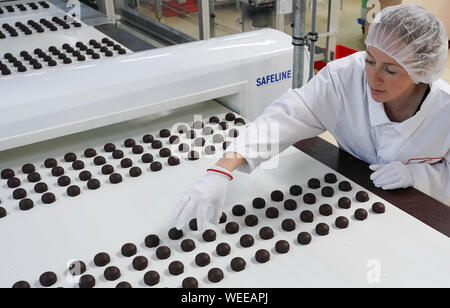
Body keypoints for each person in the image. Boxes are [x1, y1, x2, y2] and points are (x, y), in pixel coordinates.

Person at [173, 4, 450, 232]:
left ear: (421, 70)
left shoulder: (445, 112)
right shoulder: (344, 78)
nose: (373, 77)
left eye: (390, 70)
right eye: (369, 60)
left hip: (416, 215)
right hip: (350, 200)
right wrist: (223, 168)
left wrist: (417, 176)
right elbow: (287, 115)